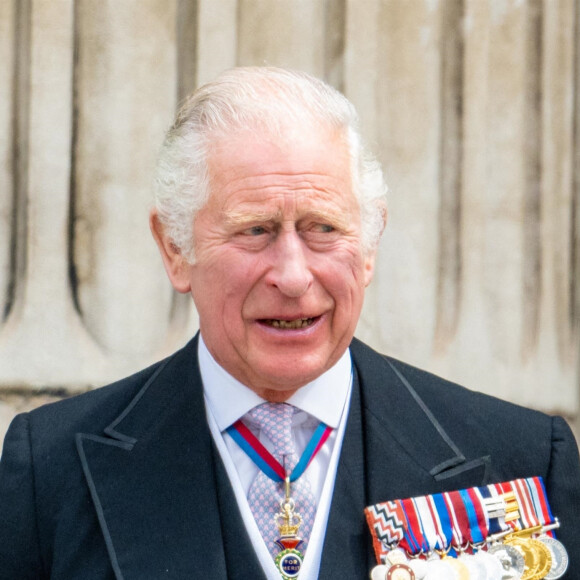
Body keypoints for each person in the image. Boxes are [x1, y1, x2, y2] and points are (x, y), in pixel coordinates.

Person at [0, 67, 578, 580]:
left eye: (323, 228)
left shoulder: (520, 456)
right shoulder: (48, 469)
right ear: (175, 248)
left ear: (370, 243)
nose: (294, 275)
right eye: (255, 229)